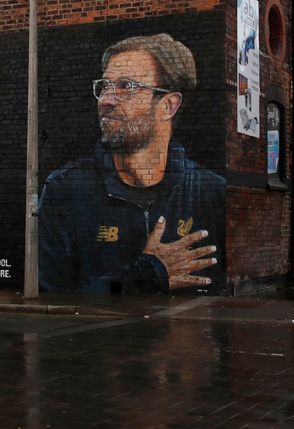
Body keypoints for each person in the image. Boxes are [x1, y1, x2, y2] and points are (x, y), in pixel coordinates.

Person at [38, 34, 225, 294]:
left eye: (127, 86)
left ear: (168, 105)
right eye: (104, 86)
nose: (105, 100)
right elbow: (54, 297)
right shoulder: (65, 191)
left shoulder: (210, 193)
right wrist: (147, 275)